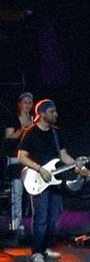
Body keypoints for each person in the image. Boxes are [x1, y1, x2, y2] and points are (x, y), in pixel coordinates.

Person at [17, 99, 75, 262]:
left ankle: (46, 247)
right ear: (42, 114)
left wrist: (77, 165)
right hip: (37, 179)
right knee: (41, 217)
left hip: (54, 180)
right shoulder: (30, 132)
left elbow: (63, 156)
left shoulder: (56, 133)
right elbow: (21, 156)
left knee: (53, 216)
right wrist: (39, 168)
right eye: (52, 112)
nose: (56, 114)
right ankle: (37, 251)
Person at [3, 92, 34, 233]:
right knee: (17, 191)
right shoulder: (13, 119)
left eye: (30, 102)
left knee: (32, 192)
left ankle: (35, 223)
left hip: (28, 159)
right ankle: (16, 223)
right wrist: (23, 128)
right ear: (20, 104)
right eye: (25, 102)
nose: (27, 105)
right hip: (14, 158)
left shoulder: (34, 119)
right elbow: (9, 137)